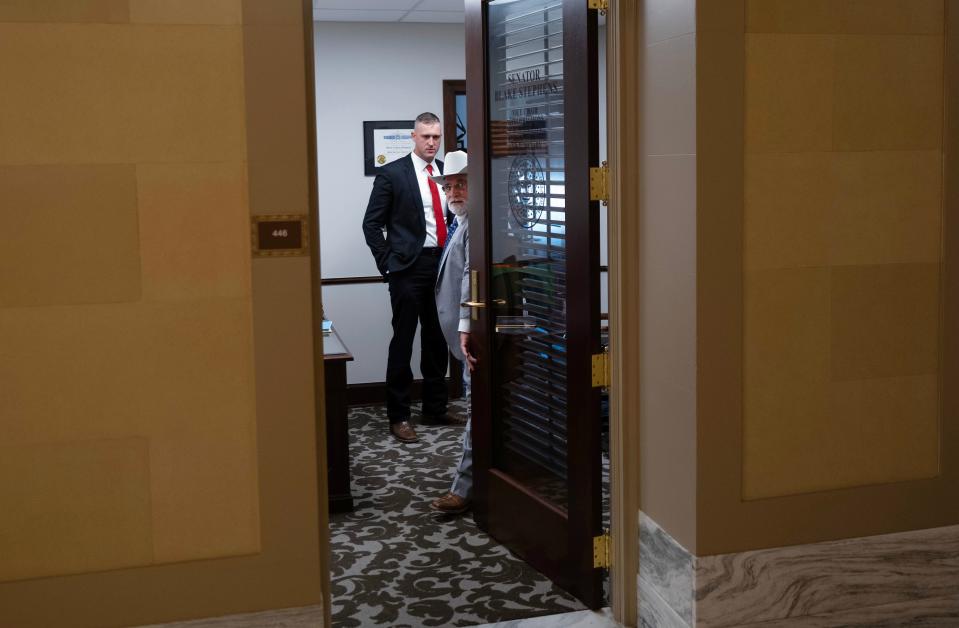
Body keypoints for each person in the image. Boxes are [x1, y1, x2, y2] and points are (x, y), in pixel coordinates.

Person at [362, 112, 450, 443]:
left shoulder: (447, 173)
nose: (431, 142)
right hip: (407, 269)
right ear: (413, 137)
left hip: (441, 266)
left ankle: (435, 408)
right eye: (426, 136)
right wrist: (387, 264)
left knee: (437, 339)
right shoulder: (392, 174)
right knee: (403, 340)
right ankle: (398, 415)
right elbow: (371, 224)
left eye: (437, 137)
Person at [427, 150, 478, 515]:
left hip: (473, 337)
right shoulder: (463, 223)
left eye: (462, 184)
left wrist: (465, 327)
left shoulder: (476, 224)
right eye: (449, 186)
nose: (454, 191)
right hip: (463, 339)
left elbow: (469, 279)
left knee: (477, 412)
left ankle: (464, 488)